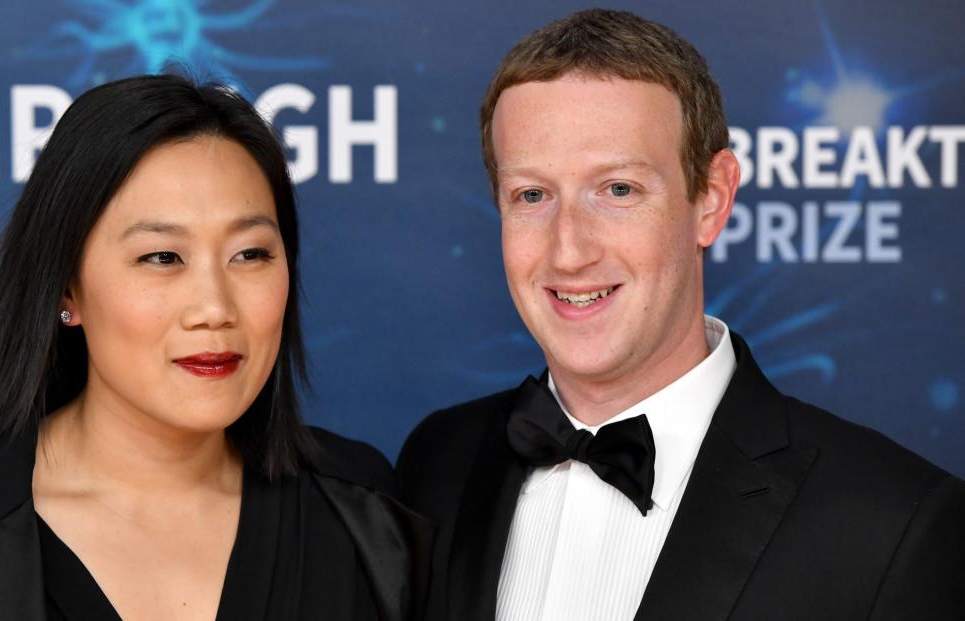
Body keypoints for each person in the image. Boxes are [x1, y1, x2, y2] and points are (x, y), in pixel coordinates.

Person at [0, 74, 430, 621]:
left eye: (250, 253)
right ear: (68, 288)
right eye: (162, 256)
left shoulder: (364, 511)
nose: (214, 307)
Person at [396, 9, 965, 620]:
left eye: (618, 190)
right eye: (532, 195)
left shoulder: (893, 522)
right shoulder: (437, 465)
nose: (569, 250)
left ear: (711, 200)